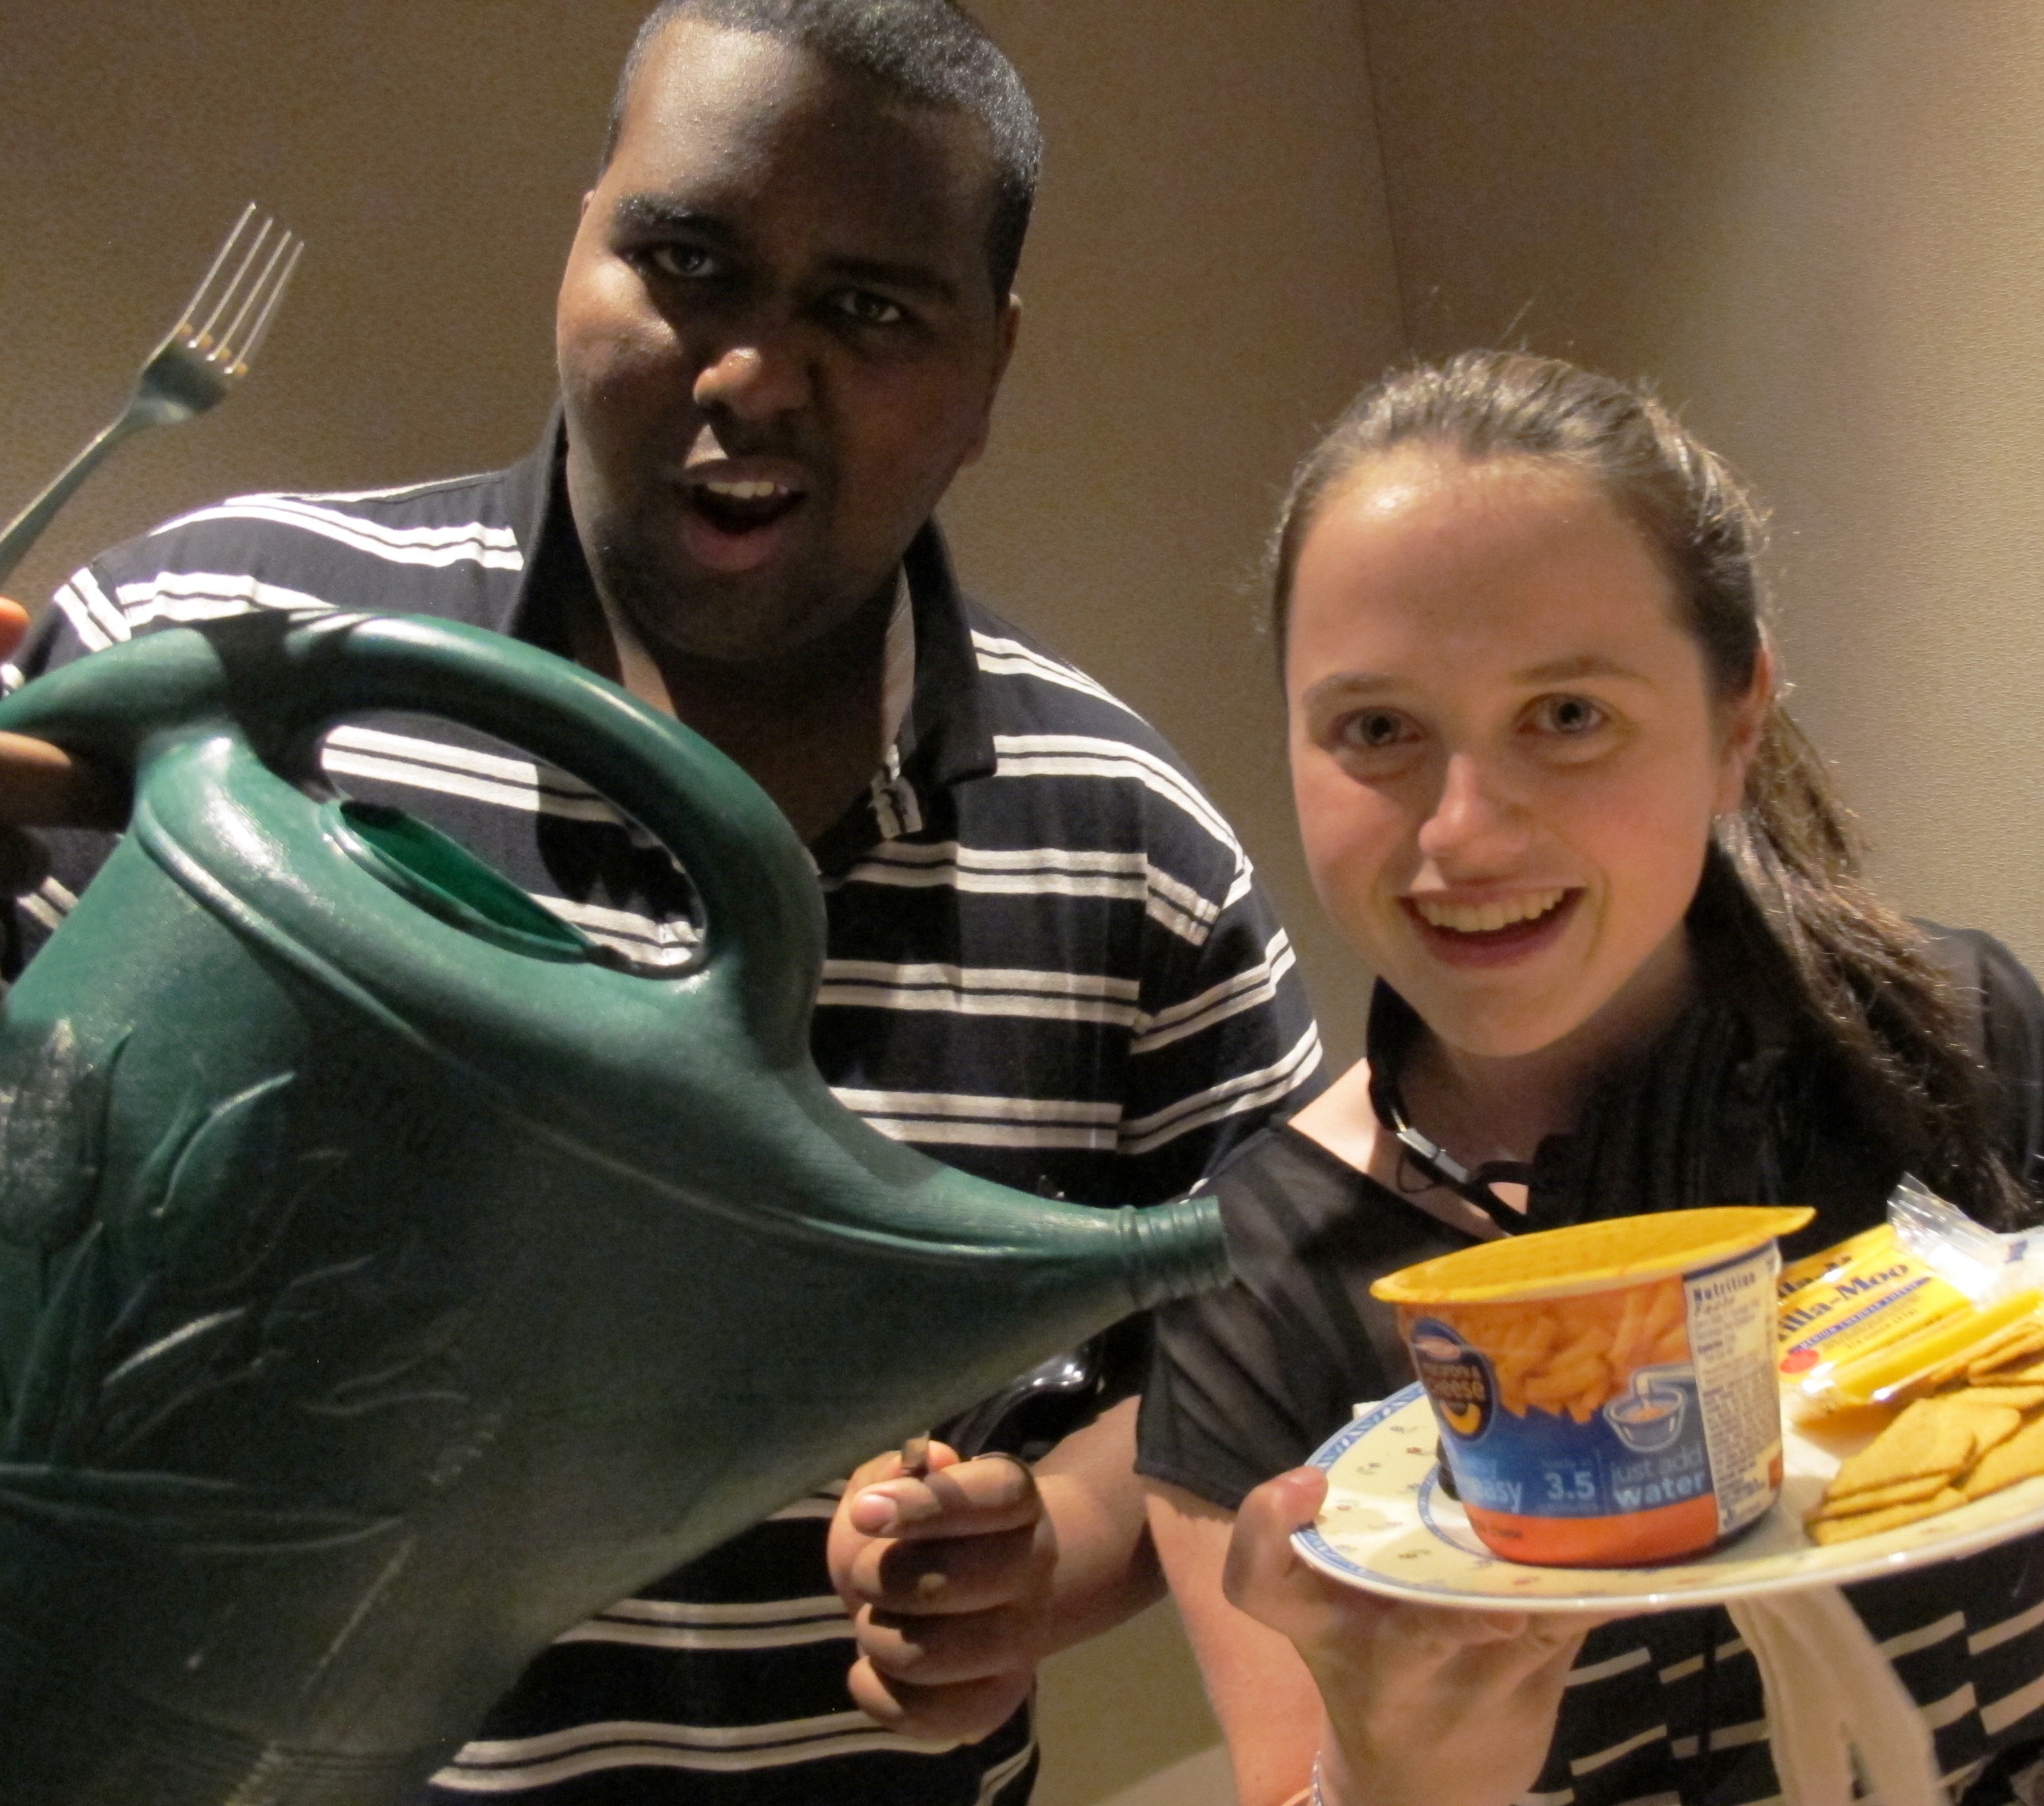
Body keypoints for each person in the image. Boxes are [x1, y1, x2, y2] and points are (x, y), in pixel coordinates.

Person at [0, 3, 1321, 1801]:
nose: (755, 376)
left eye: (869, 311)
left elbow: (1278, 1330)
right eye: (685, 260)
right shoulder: (218, 647)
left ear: (991, 366)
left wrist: (1047, 1557)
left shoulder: (1127, 854)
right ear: (583, 240)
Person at [1134, 352, 2044, 1806]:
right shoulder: (1251, 1278)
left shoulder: (1959, 1042)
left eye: (1567, 716)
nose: (1465, 832)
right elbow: (1284, 1782)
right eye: (1377, 730)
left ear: (1736, 721)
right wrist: (1391, 1784)